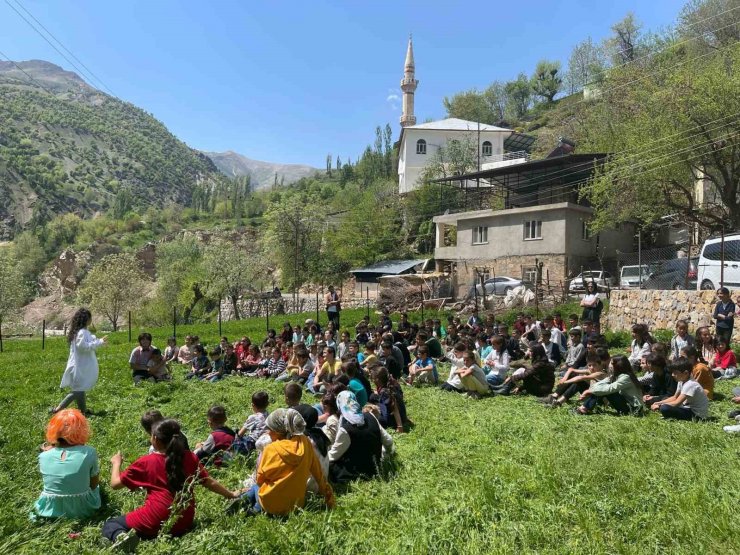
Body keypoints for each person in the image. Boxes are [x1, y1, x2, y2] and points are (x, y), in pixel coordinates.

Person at [103, 419, 237, 549]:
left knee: (111, 524)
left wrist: (116, 463)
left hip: (155, 521)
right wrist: (231, 494)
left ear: (155, 439)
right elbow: (209, 482)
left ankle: (121, 537)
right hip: (184, 521)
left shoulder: (146, 462)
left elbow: (115, 484)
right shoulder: (190, 457)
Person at [232, 408, 335, 515]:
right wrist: (329, 498)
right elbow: (319, 474)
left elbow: (260, 480)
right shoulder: (306, 443)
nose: (267, 432)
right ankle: (251, 506)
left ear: (278, 431)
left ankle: (251, 507)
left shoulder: (271, 449)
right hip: (295, 505)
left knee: (255, 488)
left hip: (271, 504)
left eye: (269, 429)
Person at [32, 409, 101, 520]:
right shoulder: (89, 452)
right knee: (97, 487)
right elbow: (93, 485)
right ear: (82, 430)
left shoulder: (43, 456)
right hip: (83, 508)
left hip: (49, 509)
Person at [329, 391, 395, 483]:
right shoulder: (371, 416)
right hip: (375, 467)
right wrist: (387, 457)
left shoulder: (345, 429)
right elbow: (388, 440)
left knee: (331, 465)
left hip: (357, 473)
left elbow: (333, 456)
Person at [53, 308, 107, 415]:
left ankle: (83, 411)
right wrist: (99, 342)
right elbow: (83, 346)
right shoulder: (82, 332)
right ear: (86, 319)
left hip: (80, 366)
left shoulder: (80, 332)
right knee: (77, 391)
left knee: (80, 389)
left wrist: (96, 340)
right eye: (90, 318)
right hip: (79, 367)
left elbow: (86, 342)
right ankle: (58, 409)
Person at [576, 355, 644, 415]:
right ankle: (584, 408)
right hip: (626, 404)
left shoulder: (626, 377)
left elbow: (609, 389)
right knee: (601, 389)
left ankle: (584, 409)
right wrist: (590, 390)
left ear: (618, 365)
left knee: (606, 390)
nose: (609, 365)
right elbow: (600, 383)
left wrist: (589, 391)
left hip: (634, 409)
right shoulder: (615, 375)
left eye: (611, 363)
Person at [544, 350, 609, 408]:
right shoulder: (591, 371)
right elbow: (571, 369)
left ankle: (558, 402)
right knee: (578, 381)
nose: (591, 368)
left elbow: (580, 378)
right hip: (591, 394)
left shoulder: (601, 373)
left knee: (579, 382)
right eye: (589, 365)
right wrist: (564, 378)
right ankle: (558, 402)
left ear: (600, 364)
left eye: (594, 365)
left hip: (600, 400)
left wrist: (565, 382)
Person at [369, 366, 408, 432]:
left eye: (373, 379)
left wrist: (400, 426)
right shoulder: (392, 383)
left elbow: (395, 409)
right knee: (373, 396)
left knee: (370, 415)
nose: (372, 381)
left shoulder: (385, 392)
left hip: (391, 421)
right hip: (402, 416)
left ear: (378, 379)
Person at [234, 392, 270, 456]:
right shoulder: (269, 415)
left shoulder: (253, 417)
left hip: (252, 442)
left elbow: (240, 434)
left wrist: (237, 437)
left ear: (252, 405)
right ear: (267, 404)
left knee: (236, 436)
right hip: (265, 440)